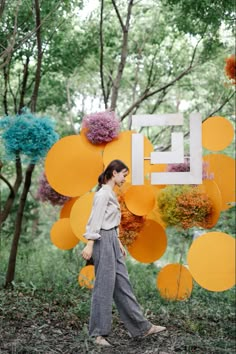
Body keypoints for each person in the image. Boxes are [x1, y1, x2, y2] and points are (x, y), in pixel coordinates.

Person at [81, 159, 166, 346]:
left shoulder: (109, 193)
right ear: (114, 173)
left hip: (111, 239)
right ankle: (98, 335)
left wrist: (117, 241)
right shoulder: (103, 194)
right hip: (101, 240)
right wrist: (89, 243)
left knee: (123, 284)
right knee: (104, 286)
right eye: (123, 175)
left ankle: (142, 328)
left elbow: (110, 220)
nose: (124, 179)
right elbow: (95, 220)